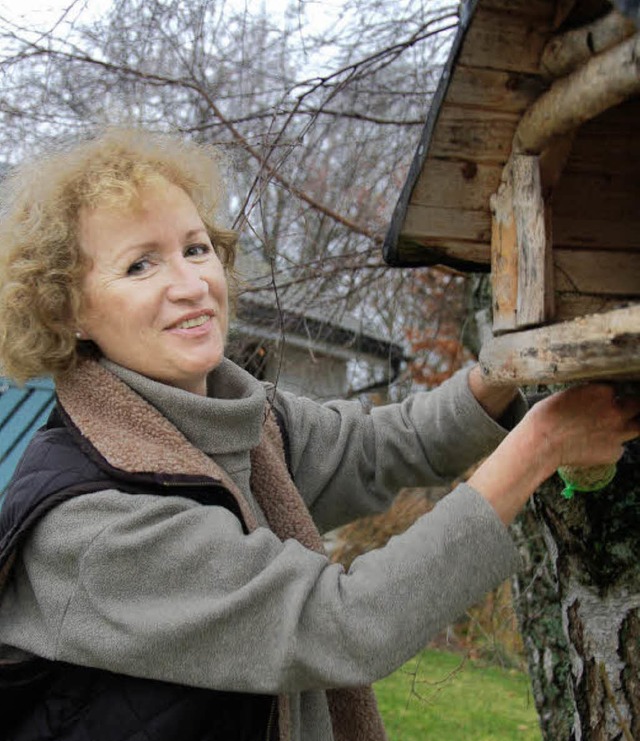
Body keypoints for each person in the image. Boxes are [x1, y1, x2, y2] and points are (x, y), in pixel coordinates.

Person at [0, 128, 637, 741]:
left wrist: (501, 374)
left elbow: (376, 447)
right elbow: (343, 624)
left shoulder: (234, 417)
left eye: (196, 249)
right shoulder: (91, 528)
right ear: (69, 310)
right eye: (140, 265)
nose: (192, 285)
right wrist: (539, 447)